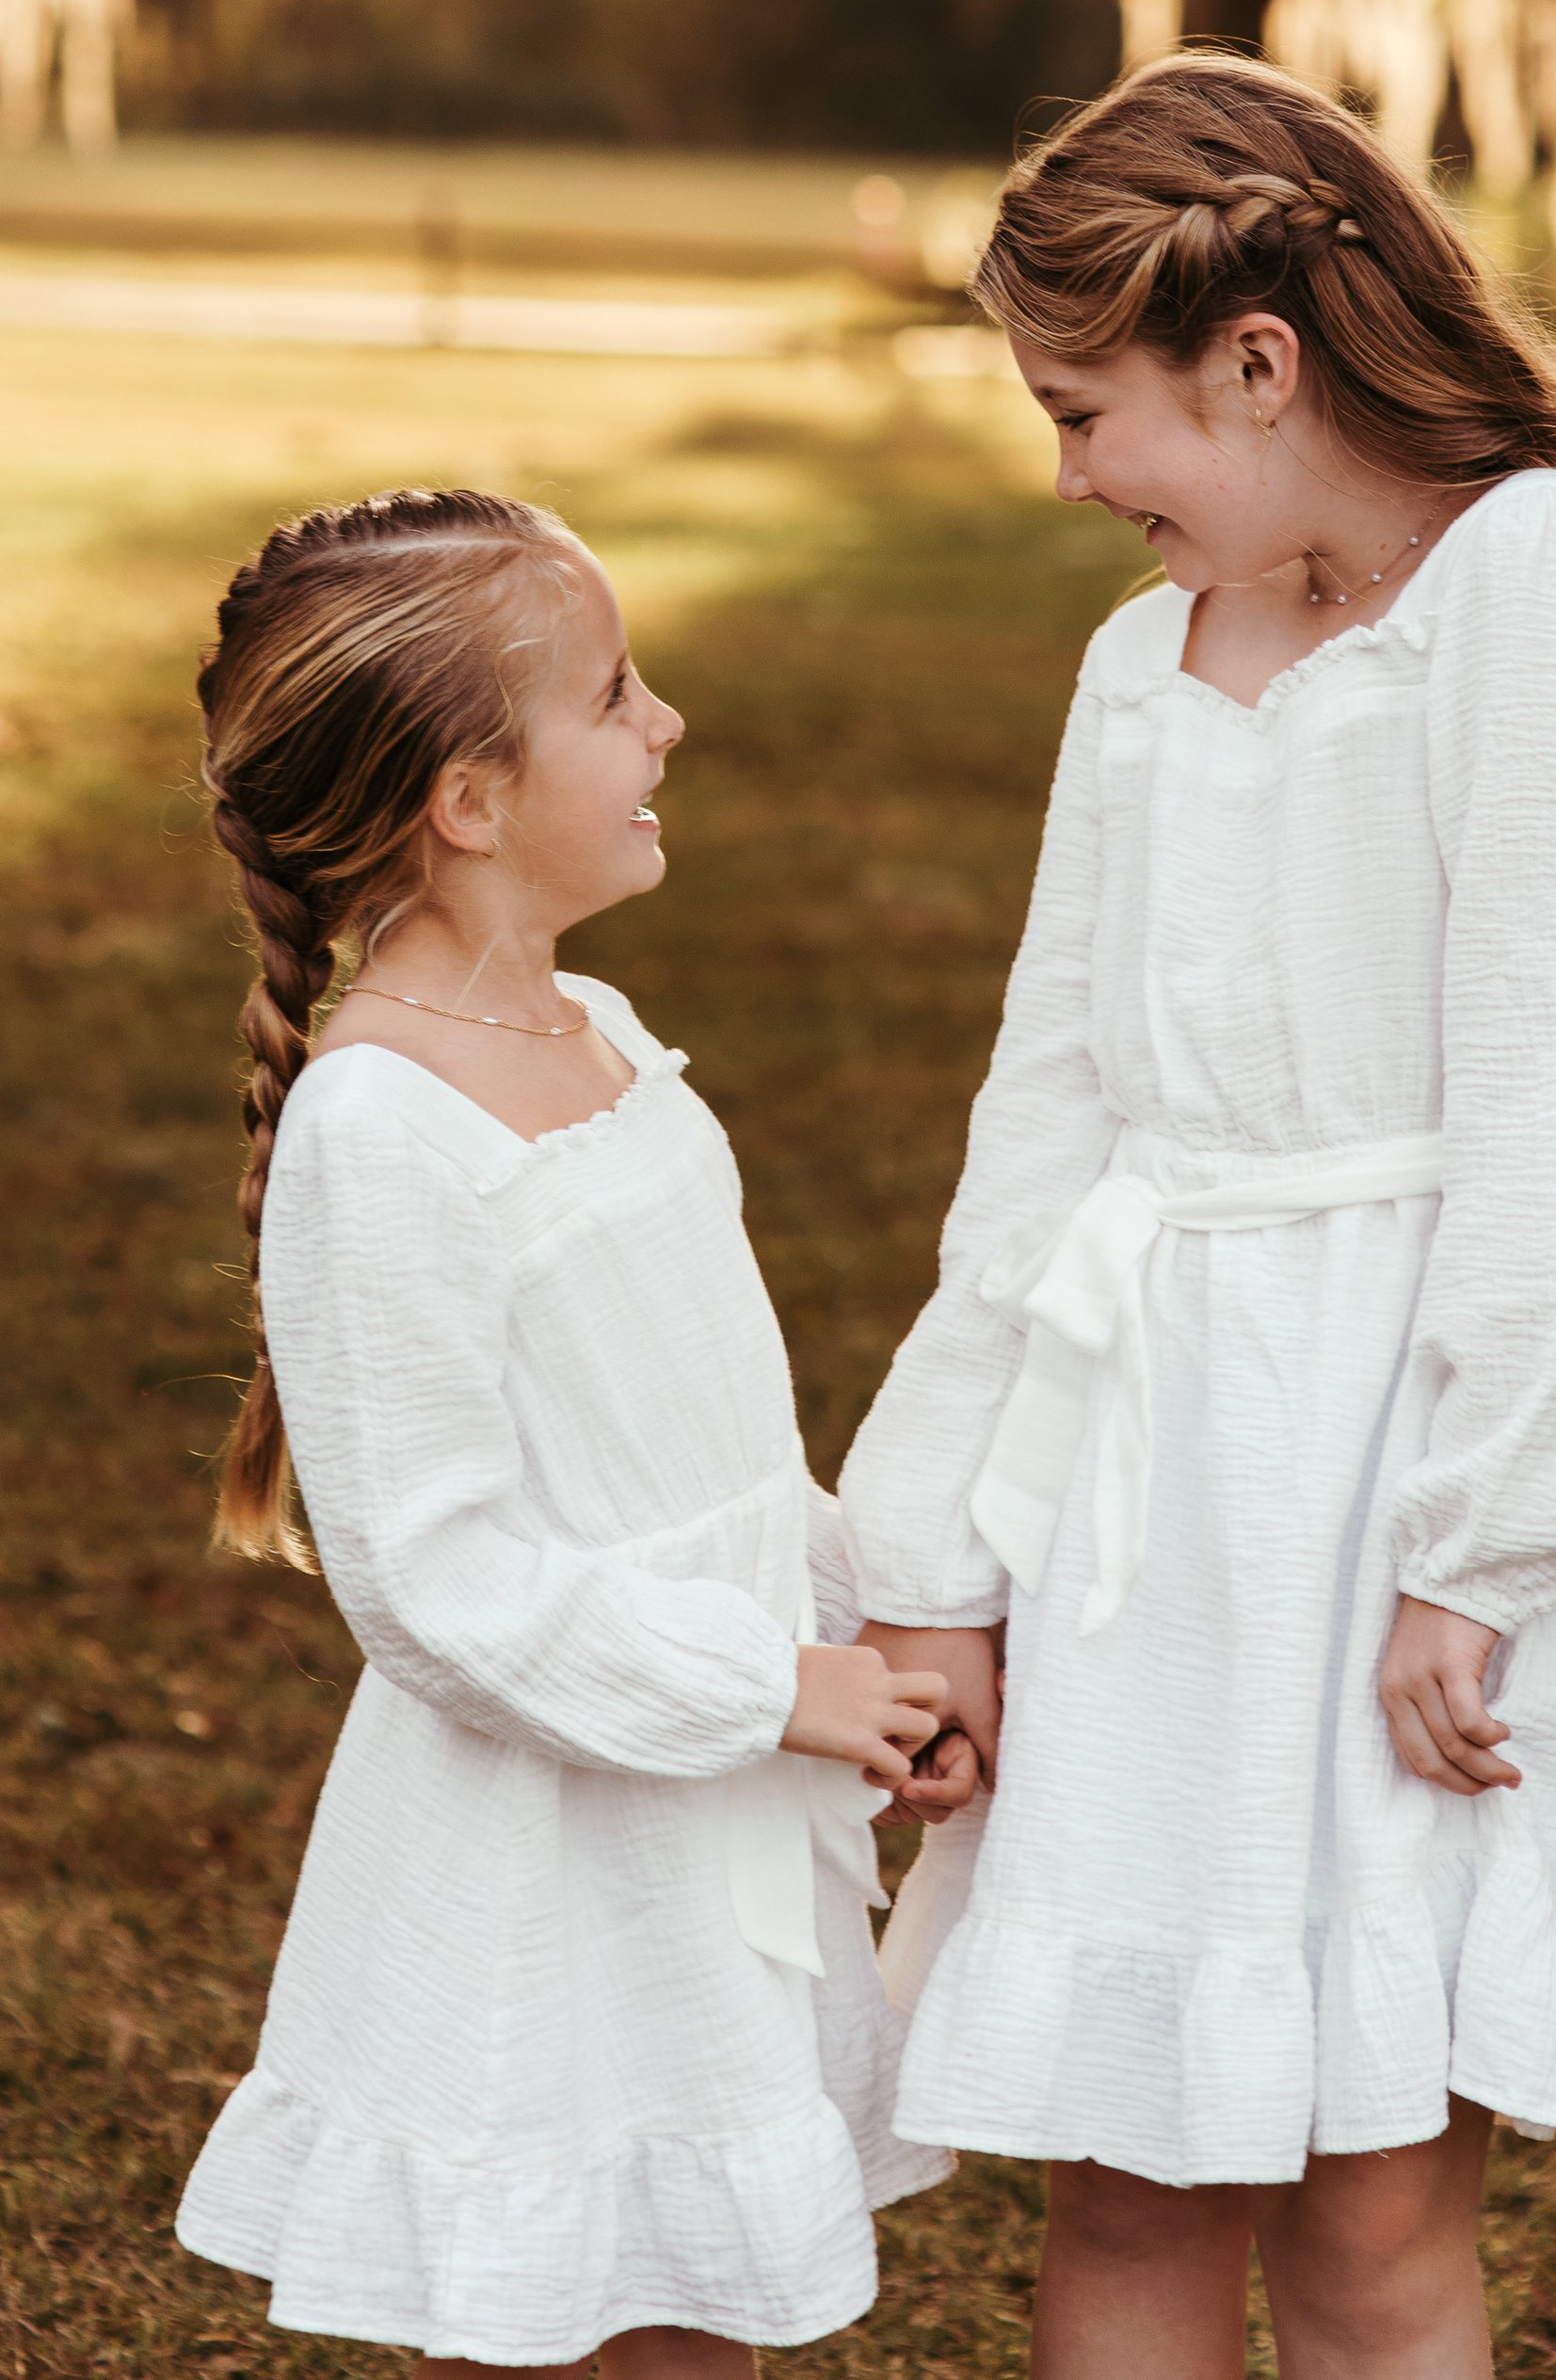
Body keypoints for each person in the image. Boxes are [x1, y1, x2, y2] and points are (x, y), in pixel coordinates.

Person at [838, 56, 1556, 2380]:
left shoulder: (1532, 587)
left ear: (1256, 365)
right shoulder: (1133, 663)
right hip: (1149, 1494)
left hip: (1398, 1476)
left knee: (1368, 2212)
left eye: (1084, 411)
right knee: (1127, 2181)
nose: (1061, 476)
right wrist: (943, 1565)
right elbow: (1040, 1125)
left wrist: (1488, 1543)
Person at [173, 487, 951, 2378]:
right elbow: (432, 1582)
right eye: (614, 697)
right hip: (554, 1860)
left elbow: (714, 1456)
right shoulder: (384, 1127)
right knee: (573, 2309)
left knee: (695, 2312)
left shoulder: (597, 1032)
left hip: (704, 1810)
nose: (664, 722)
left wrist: (868, 1640)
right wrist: (769, 1684)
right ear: (468, 801)